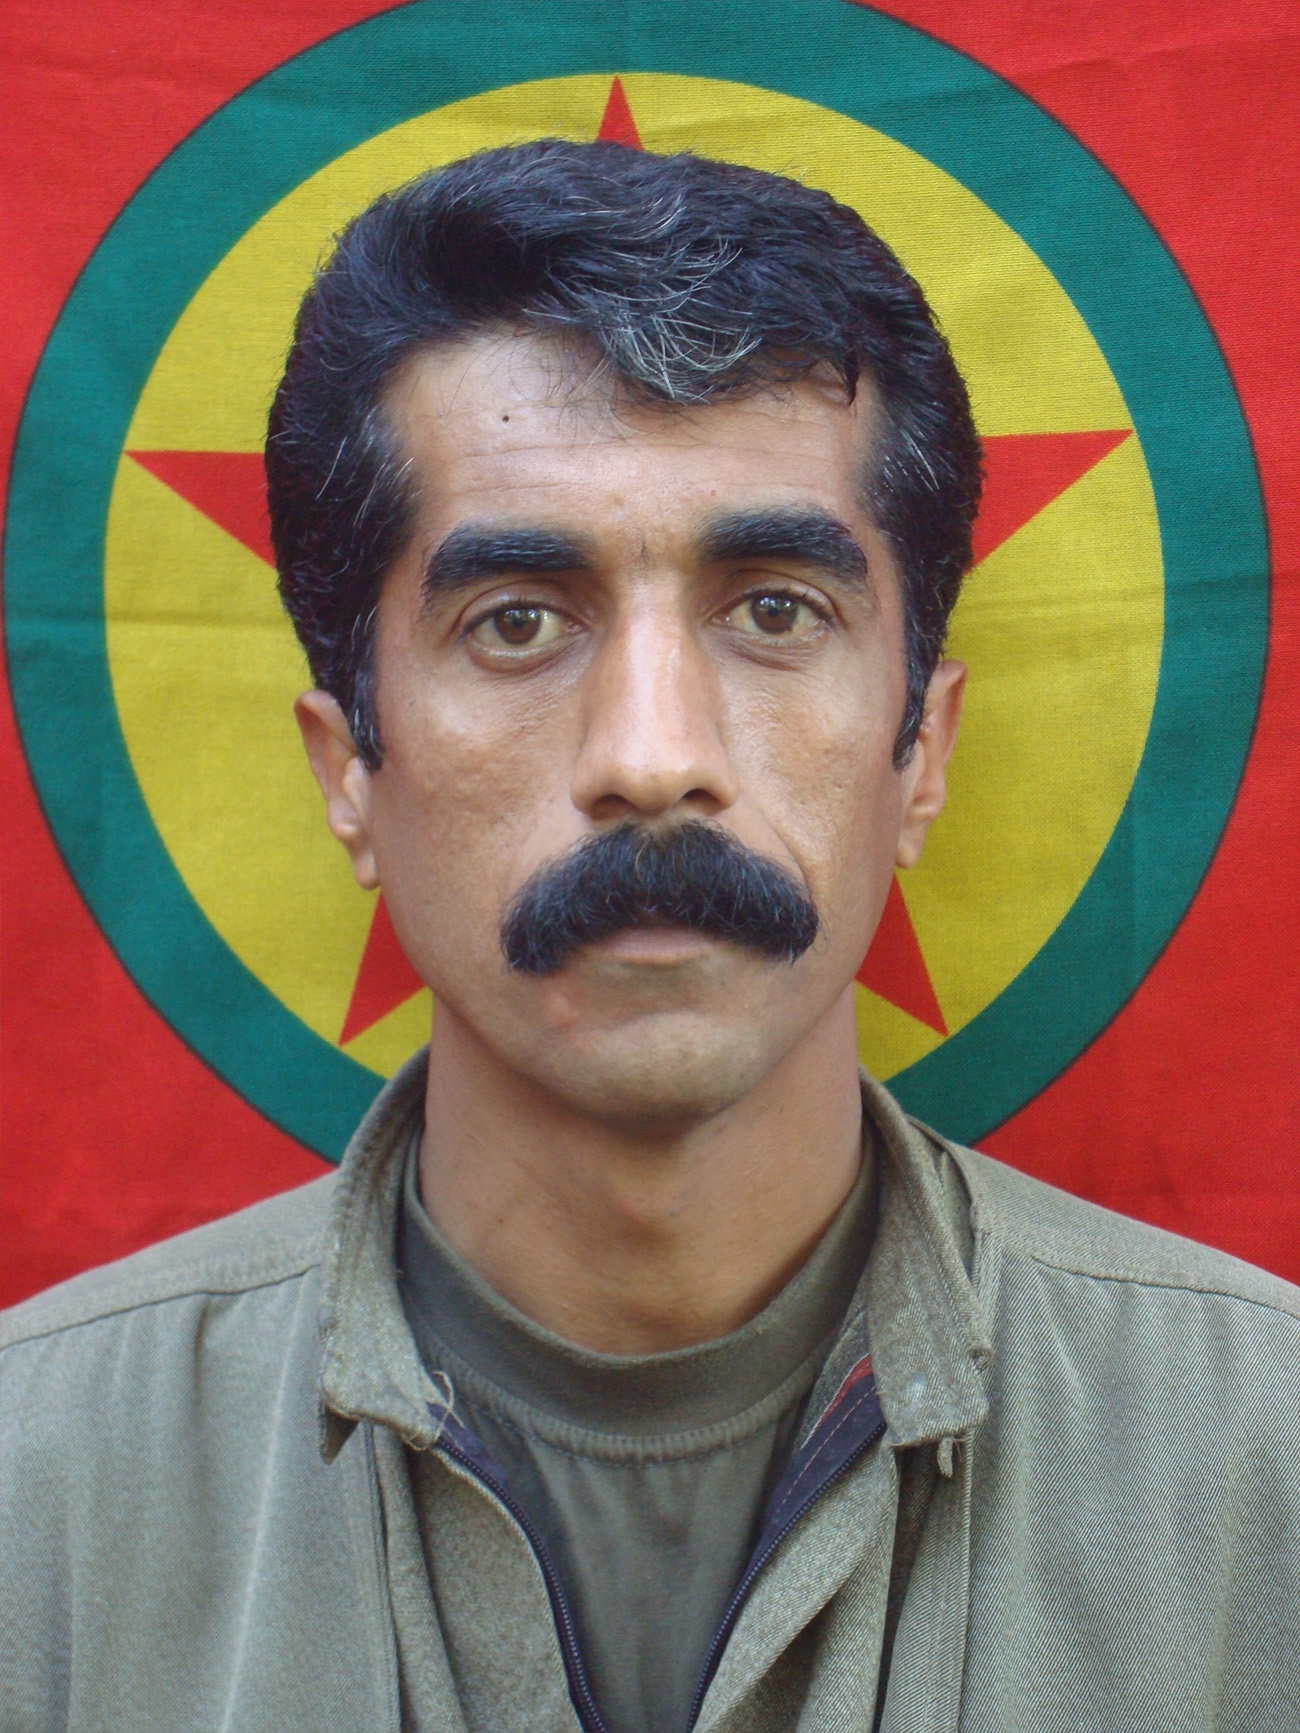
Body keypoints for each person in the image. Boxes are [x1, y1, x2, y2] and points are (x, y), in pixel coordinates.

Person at [3, 140, 1298, 1733]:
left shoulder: (1265, 1471)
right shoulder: (34, 1499)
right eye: (517, 620)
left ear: (924, 749)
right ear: (348, 772)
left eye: (776, 609)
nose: (652, 753)